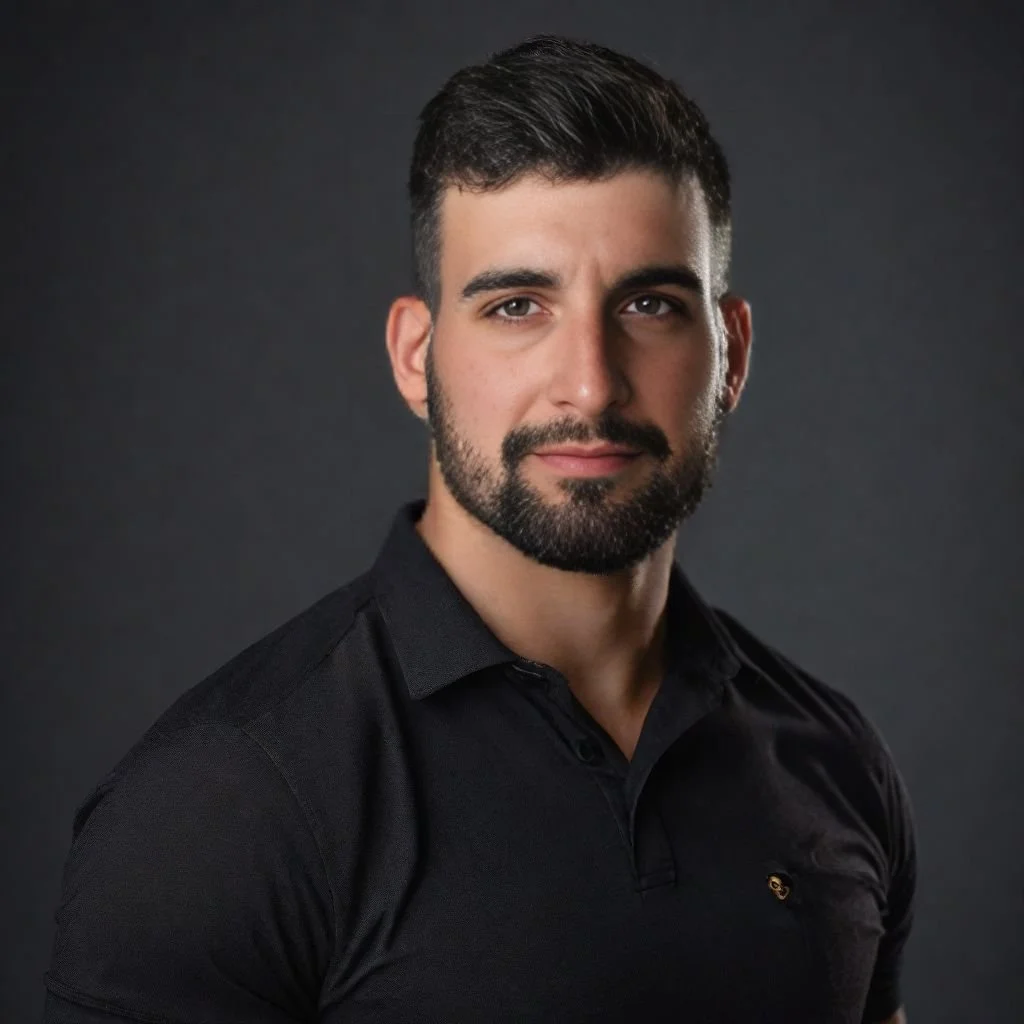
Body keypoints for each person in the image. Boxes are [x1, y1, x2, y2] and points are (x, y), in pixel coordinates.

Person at [43, 34, 915, 1024]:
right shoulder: (219, 807)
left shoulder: (831, 755)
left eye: (649, 303)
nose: (589, 382)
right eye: (515, 305)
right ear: (417, 356)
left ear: (731, 353)